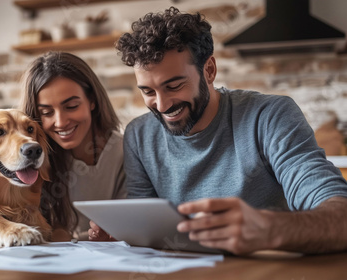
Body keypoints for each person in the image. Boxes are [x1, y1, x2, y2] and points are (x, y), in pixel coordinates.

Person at [89, 7, 347, 254]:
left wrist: (269, 228)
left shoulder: (269, 116)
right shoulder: (139, 136)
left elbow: (341, 217)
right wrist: (125, 233)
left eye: (174, 86)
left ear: (209, 70)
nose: (162, 104)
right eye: (147, 91)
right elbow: (145, 228)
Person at [21, 51, 127, 240]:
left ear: (92, 101)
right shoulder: (33, 161)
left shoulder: (124, 151)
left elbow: (131, 224)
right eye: (46, 112)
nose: (60, 122)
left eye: (71, 107)